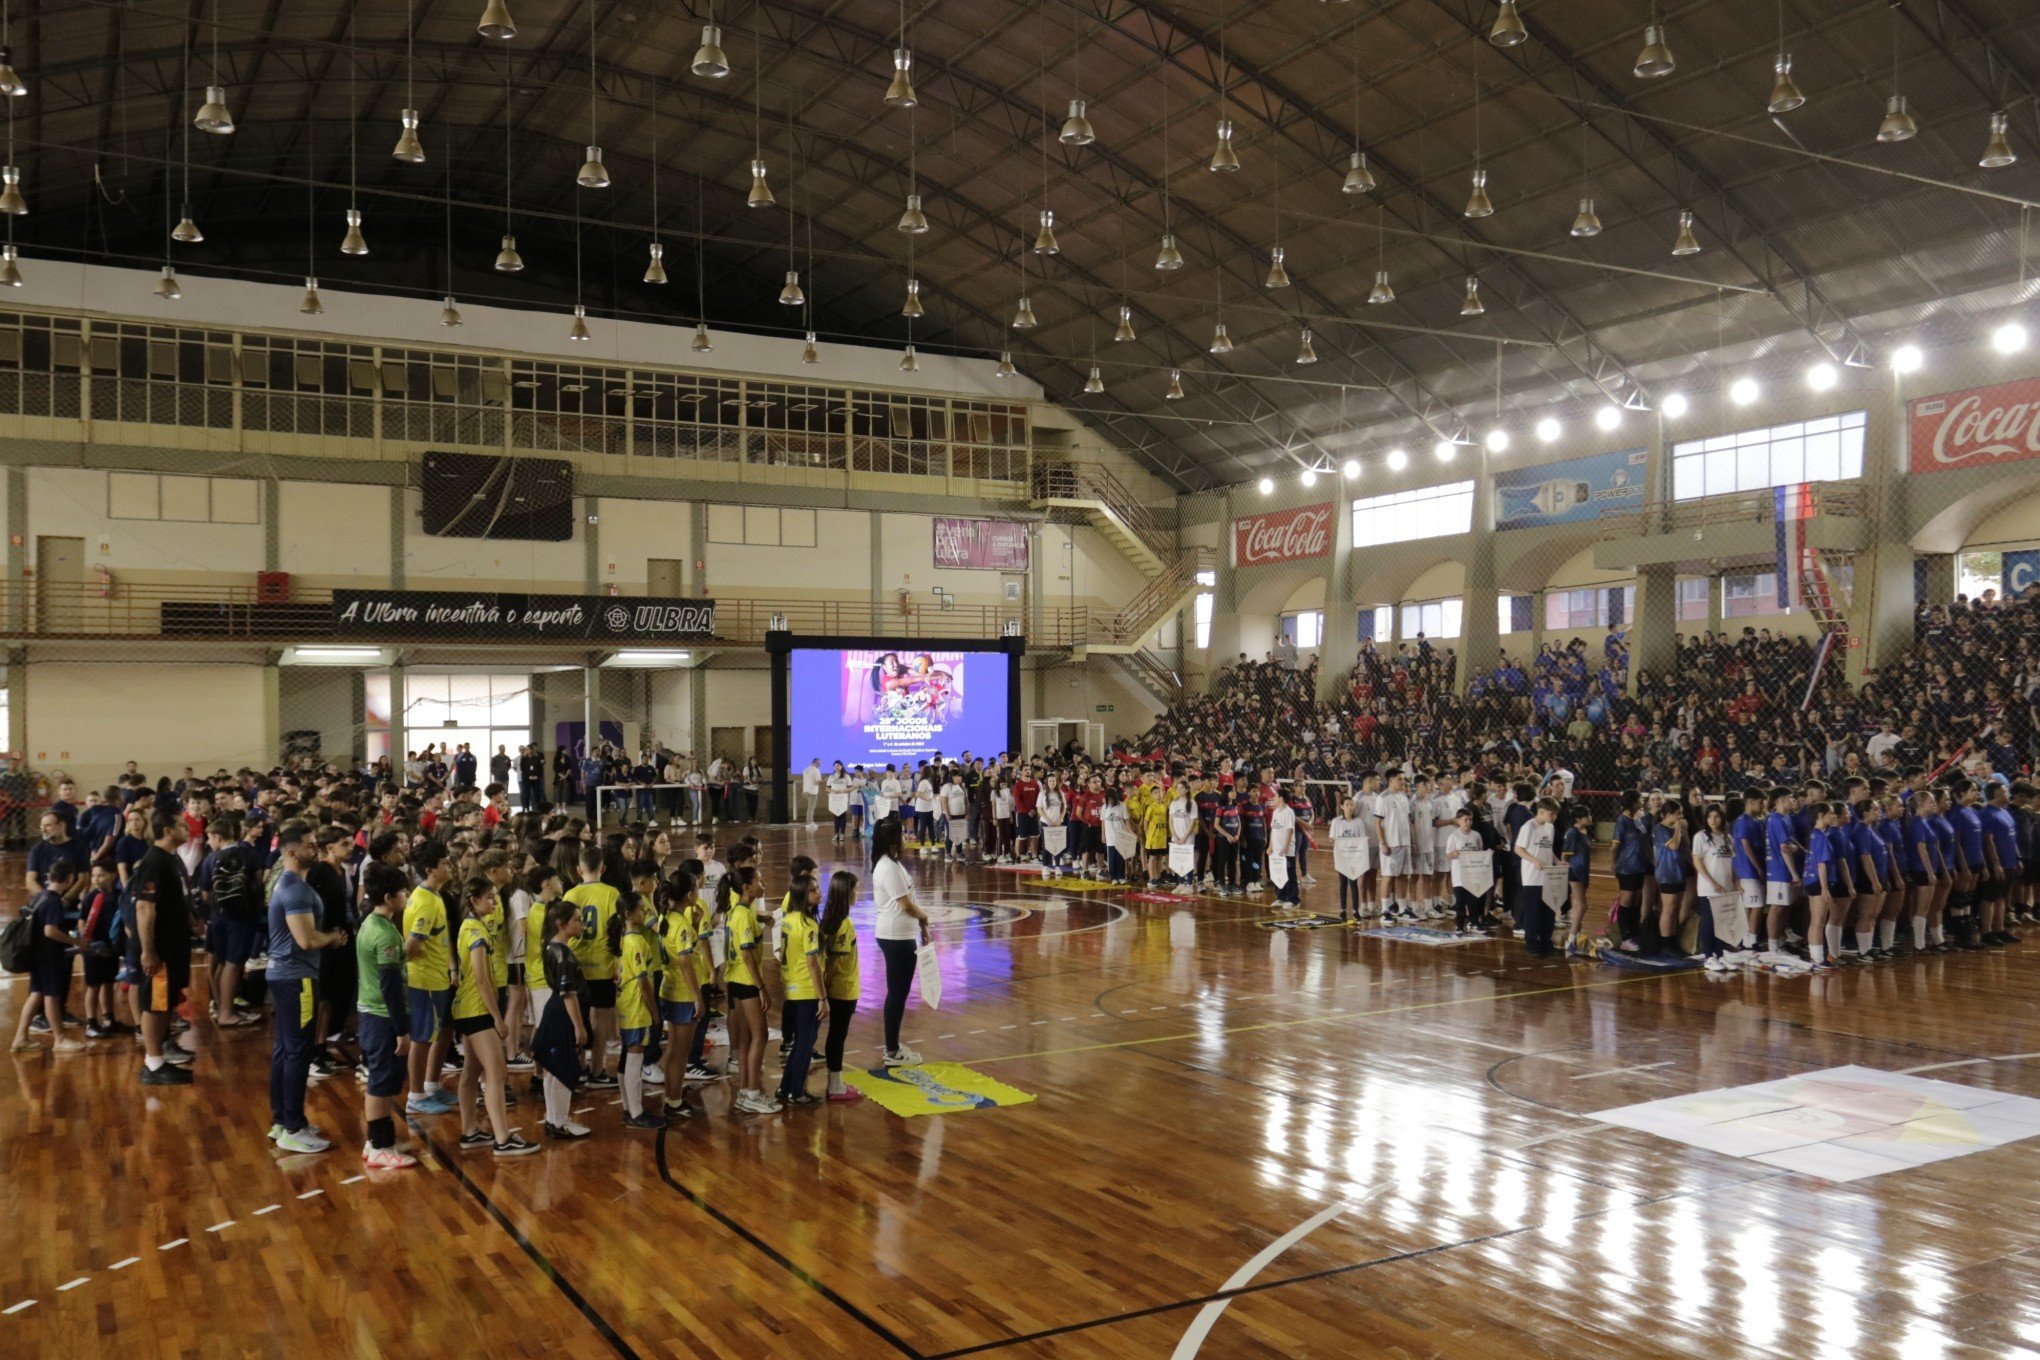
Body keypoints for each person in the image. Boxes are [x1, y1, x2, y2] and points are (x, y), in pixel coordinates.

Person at [267, 821, 347, 1154]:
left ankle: (282, 1120)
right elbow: (307, 939)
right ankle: (294, 1127)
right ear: (291, 851)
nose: (316, 848)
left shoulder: (292, 885)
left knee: (286, 1050)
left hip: (287, 976)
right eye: (309, 844)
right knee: (297, 1051)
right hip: (296, 978)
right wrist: (333, 937)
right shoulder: (295, 890)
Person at [451, 875, 538, 1156]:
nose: (494, 901)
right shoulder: (475, 933)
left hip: (467, 1008)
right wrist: (498, 1019)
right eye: (489, 897)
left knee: (471, 1071)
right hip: (476, 1010)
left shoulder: (471, 926)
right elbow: (480, 979)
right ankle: (503, 1138)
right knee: (497, 1072)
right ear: (474, 901)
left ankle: (470, 1131)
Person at [355, 861, 419, 1169]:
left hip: (371, 1014)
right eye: (404, 891)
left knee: (380, 1080)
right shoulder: (386, 935)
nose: (408, 895)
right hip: (383, 1017)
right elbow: (390, 986)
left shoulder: (370, 923)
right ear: (390, 897)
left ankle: (377, 1140)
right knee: (381, 1084)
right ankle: (381, 1146)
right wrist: (402, 1029)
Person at [131, 809, 196, 1086]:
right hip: (159, 949)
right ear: (167, 830)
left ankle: (161, 1054)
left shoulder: (171, 859)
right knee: (156, 1003)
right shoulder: (155, 861)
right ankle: (153, 1063)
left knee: (166, 1002)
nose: (187, 829)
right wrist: (148, 951)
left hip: (174, 945)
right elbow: (145, 907)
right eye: (182, 825)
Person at [402, 840, 459, 1116]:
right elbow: (411, 948)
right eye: (445, 863)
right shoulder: (425, 902)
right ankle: (415, 1095)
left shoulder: (434, 895)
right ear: (430, 870)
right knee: (422, 1037)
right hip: (423, 980)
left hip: (437, 977)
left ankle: (432, 1085)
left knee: (439, 1031)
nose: (450, 866)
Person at [871, 815, 930, 1068]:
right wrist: (925, 917)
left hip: (901, 935)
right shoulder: (888, 867)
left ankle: (892, 1046)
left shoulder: (893, 864)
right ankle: (892, 1050)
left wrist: (921, 926)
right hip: (896, 937)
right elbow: (905, 904)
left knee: (899, 992)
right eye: (903, 834)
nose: (907, 838)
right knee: (897, 993)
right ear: (893, 838)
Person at [532, 899, 592, 1140]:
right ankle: (559, 1121)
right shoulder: (563, 955)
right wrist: (579, 1027)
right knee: (563, 1069)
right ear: (561, 924)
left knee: (553, 1070)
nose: (581, 924)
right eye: (576, 920)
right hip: (562, 1015)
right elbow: (569, 994)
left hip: (554, 1010)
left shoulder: (551, 947)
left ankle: (553, 1117)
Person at [10, 858, 82, 1053]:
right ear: (70, 879)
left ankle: (20, 1038)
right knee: (51, 996)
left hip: (35, 955)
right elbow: (50, 931)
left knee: (36, 995)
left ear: (49, 877)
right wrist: (76, 942)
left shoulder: (39, 897)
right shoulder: (53, 901)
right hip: (48, 957)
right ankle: (59, 1039)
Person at [564, 845, 621, 1090]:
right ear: (603, 868)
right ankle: (598, 1070)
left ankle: (578, 1068)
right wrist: (619, 963)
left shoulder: (570, 895)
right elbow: (615, 930)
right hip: (603, 965)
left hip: (576, 965)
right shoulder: (611, 893)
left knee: (577, 1018)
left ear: (578, 870)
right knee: (601, 1021)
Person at [723, 866, 777, 1114]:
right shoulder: (744, 914)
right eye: (759, 880)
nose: (763, 883)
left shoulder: (739, 910)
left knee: (745, 1038)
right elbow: (746, 954)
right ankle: (754, 1092)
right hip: (746, 982)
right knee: (761, 1035)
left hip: (734, 980)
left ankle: (745, 1091)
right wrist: (761, 987)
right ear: (746, 887)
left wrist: (762, 919)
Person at [657, 870, 705, 1122]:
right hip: (683, 994)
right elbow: (686, 961)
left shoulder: (666, 919)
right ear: (690, 894)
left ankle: (671, 1097)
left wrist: (695, 925)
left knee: (674, 1050)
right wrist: (698, 996)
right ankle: (673, 1102)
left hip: (669, 989)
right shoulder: (680, 924)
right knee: (680, 1052)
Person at [775, 871, 826, 1108]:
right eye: (813, 889)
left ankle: (786, 1087)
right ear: (802, 895)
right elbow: (812, 962)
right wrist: (822, 998)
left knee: (799, 1043)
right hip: (807, 990)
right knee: (805, 1043)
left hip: (791, 988)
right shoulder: (808, 925)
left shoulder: (788, 919)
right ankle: (797, 1091)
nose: (818, 892)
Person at [615, 892, 662, 1130]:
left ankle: (628, 1108)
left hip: (625, 1004)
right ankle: (636, 1112)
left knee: (626, 1058)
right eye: (641, 909)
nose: (645, 913)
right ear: (628, 914)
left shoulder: (622, 939)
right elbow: (643, 981)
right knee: (635, 1057)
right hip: (636, 1006)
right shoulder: (636, 942)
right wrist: (654, 1011)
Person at [819, 869, 864, 1103]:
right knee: (838, 1035)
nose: (859, 893)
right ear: (847, 893)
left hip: (838, 988)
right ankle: (835, 1085)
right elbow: (835, 961)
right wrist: (824, 991)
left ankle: (834, 1082)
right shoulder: (844, 924)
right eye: (856, 888)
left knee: (835, 1035)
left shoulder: (829, 919)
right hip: (843, 989)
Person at [1512, 798, 1561, 956]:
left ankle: (1546, 942)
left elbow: (1548, 849)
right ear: (1541, 811)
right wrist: (1534, 860)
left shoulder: (1550, 827)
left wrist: (1557, 861)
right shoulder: (1529, 827)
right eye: (1551, 814)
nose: (1554, 817)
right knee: (1533, 911)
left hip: (1547, 876)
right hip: (1532, 877)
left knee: (1549, 911)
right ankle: (1531, 943)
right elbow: (1518, 849)